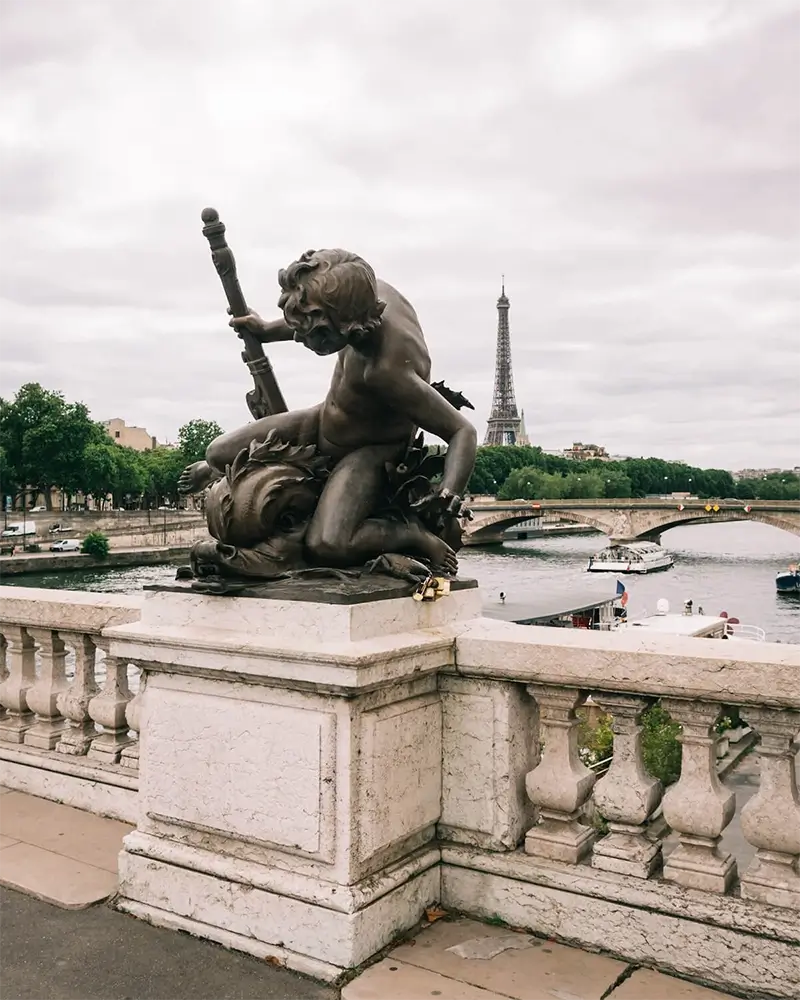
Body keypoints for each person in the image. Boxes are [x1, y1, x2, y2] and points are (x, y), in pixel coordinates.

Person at [179, 249, 477, 575]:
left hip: (368, 451)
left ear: (349, 327)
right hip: (321, 418)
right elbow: (318, 315)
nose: (301, 340)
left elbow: (462, 431)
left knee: (327, 543)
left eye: (313, 337)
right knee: (217, 452)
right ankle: (220, 467)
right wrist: (266, 330)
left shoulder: (386, 370)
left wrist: (449, 494)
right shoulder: (367, 294)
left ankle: (408, 533)